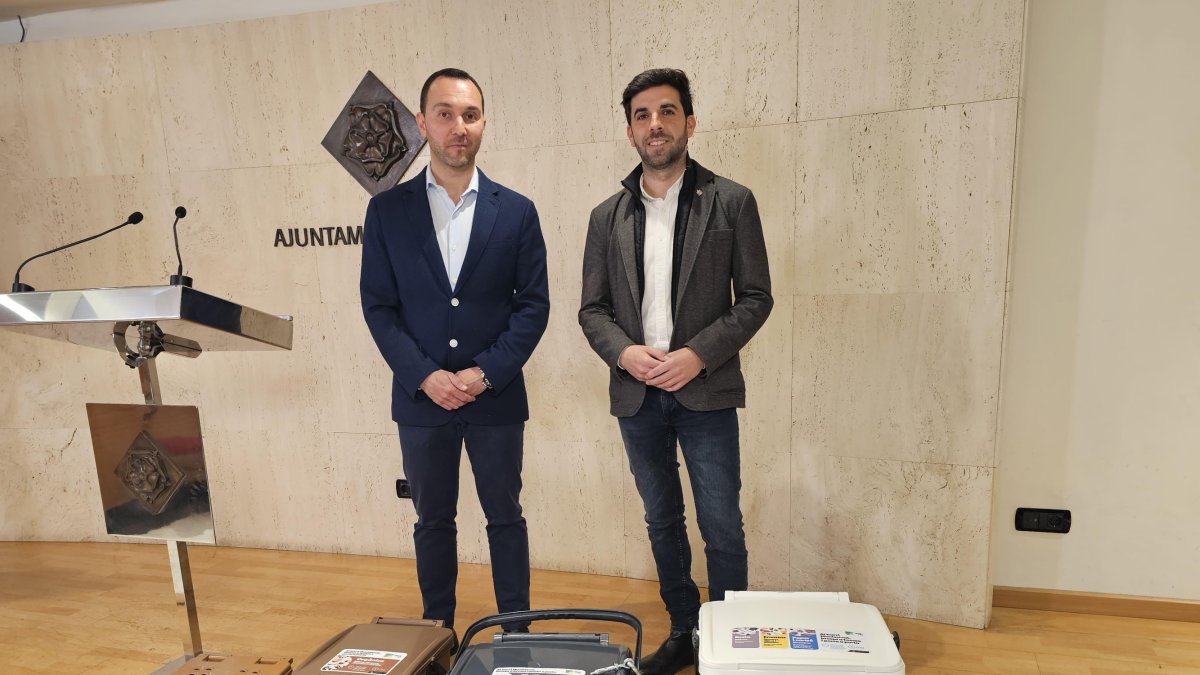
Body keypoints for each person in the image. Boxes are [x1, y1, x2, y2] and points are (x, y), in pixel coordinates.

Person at [578, 68, 773, 675]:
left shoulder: (732, 201)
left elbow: (756, 298)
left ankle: (729, 641)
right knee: (662, 520)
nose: (654, 124)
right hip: (638, 397)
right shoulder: (606, 216)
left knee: (722, 524)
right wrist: (624, 353)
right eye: (642, 115)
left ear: (689, 122)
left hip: (706, 390)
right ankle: (686, 630)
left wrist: (697, 354)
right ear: (630, 131)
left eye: (666, 111)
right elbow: (592, 310)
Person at [360, 68, 549, 631]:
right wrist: (425, 376)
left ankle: (515, 633)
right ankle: (437, 635)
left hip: (495, 398)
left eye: (470, 115)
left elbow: (533, 307)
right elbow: (379, 308)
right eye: (445, 114)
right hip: (422, 402)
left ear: (483, 123)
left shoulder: (517, 211)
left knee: (506, 518)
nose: (458, 126)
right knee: (432, 522)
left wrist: (483, 374)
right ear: (422, 123)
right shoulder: (387, 211)